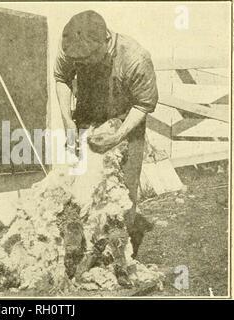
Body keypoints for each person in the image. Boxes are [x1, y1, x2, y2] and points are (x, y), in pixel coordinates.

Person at [54, 10, 157, 258]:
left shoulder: (135, 58)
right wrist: (67, 120)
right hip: (86, 119)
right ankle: (82, 252)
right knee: (78, 187)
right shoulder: (71, 48)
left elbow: (143, 104)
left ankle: (120, 257)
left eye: (89, 59)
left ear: (106, 41)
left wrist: (118, 135)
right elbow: (61, 77)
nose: (83, 65)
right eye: (78, 61)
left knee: (122, 192)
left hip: (124, 123)